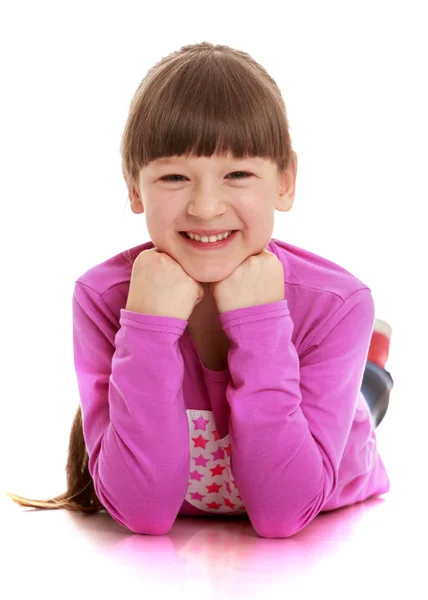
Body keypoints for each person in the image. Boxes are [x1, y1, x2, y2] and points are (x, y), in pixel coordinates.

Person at [6, 41, 394, 538]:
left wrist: (259, 326)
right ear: (133, 187)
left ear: (285, 181)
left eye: (237, 174)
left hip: (336, 438)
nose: (206, 207)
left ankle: (374, 370)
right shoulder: (102, 299)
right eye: (173, 176)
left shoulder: (338, 305)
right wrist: (147, 326)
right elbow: (142, 512)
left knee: (365, 397)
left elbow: (282, 514)